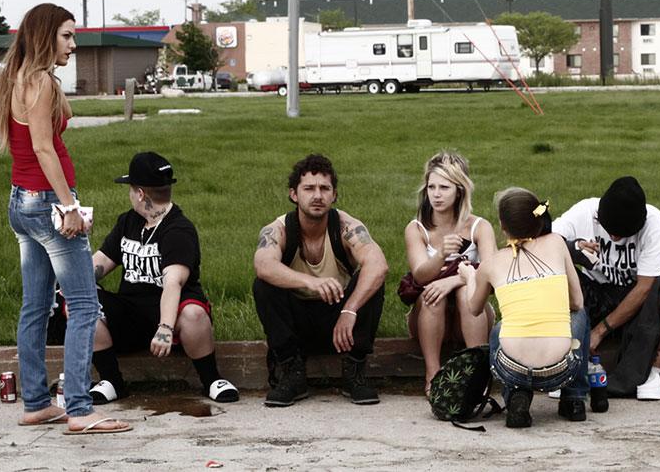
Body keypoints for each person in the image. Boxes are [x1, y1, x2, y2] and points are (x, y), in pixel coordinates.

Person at [0, 3, 129, 434]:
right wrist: (69, 206)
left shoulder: (16, 78)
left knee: (35, 306)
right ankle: (80, 410)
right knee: (85, 304)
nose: (74, 43)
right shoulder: (42, 82)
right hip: (49, 204)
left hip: (22, 203)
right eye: (67, 35)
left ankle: (36, 402)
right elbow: (44, 149)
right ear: (46, 36)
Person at [88, 151, 240, 404]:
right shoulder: (128, 222)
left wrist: (165, 328)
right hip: (131, 312)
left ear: (140, 194)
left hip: (174, 316)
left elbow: (173, 283)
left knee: (194, 314)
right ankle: (112, 381)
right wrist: (73, 279)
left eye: (130, 189)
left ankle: (211, 379)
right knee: (82, 302)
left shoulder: (178, 229)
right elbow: (102, 262)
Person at [552, 176, 660, 401]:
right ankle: (565, 368)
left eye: (622, 234)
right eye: (610, 231)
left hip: (640, 303)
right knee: (554, 270)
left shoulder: (654, 223)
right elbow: (543, 241)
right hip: (595, 294)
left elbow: (645, 288)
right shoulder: (585, 211)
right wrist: (574, 248)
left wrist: (599, 331)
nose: (615, 237)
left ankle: (653, 373)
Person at [253, 154, 388, 406]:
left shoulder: (347, 226)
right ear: (294, 194)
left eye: (324, 189)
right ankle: (291, 372)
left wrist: (350, 310)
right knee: (264, 284)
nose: (317, 195)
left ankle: (354, 369)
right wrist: (310, 281)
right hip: (297, 323)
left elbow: (378, 264)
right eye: (309, 189)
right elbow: (263, 264)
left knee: (371, 279)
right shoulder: (278, 229)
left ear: (334, 195)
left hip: (341, 322)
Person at [459, 188, 590, 428]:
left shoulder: (491, 263)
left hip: (512, 369)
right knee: (580, 315)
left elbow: (474, 308)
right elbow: (577, 303)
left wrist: (470, 276)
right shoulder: (556, 243)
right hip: (561, 369)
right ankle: (574, 398)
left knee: (501, 328)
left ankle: (515, 395)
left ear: (502, 225)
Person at [403, 151, 496, 395]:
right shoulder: (417, 228)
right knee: (432, 294)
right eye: (431, 186)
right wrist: (441, 255)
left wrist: (455, 279)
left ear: (460, 190)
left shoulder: (479, 226)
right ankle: (432, 374)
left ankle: (478, 373)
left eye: (444, 187)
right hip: (428, 315)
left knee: (468, 290)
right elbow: (421, 276)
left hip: (473, 312)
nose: (436, 194)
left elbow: (493, 274)